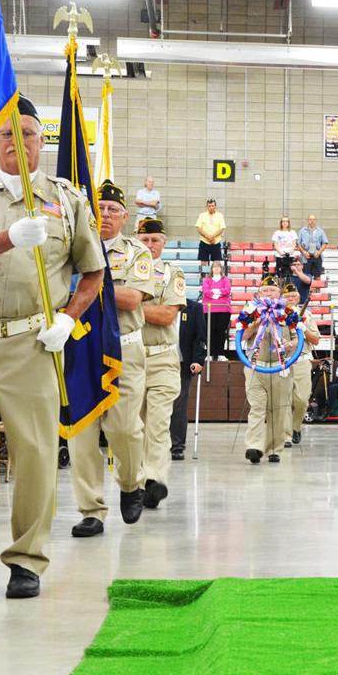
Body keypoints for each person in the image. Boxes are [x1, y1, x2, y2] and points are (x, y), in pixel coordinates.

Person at [0, 98, 105, 599]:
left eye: (27, 133)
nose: (17, 141)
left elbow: (93, 271)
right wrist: (5, 238)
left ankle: (27, 559)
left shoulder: (67, 200)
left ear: (41, 141)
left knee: (34, 455)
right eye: (6, 134)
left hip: (34, 344)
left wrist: (67, 320)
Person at [69, 181, 155, 539]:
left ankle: (131, 483)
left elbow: (133, 298)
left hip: (124, 347)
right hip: (79, 345)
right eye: (99, 208)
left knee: (123, 427)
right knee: (81, 431)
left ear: (124, 217)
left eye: (112, 210)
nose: (105, 215)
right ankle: (91, 509)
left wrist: (86, 286)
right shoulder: (71, 249)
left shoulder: (137, 252)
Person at [135, 218, 185, 510]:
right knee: (133, 426)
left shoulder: (171, 274)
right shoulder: (127, 273)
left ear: (164, 242)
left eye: (155, 240)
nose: (150, 245)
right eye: (145, 239)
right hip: (132, 356)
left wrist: (132, 305)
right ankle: (138, 481)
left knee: (157, 423)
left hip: (163, 357)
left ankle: (154, 479)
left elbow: (168, 316)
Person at [240, 275, 300, 463]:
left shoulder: (288, 312)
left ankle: (274, 449)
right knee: (256, 408)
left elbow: (299, 338)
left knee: (278, 410)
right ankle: (254, 447)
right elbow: (242, 336)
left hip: (280, 368)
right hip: (256, 368)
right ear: (259, 293)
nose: (269, 294)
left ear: (279, 293)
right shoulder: (250, 311)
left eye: (272, 291)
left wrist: (289, 346)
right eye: (265, 290)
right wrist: (258, 321)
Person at [283, 282, 320, 447]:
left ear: (298, 298)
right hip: (282, 362)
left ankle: (296, 427)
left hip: (302, 361)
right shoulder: (277, 314)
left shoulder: (307, 315)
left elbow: (316, 340)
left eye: (293, 296)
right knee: (284, 400)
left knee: (302, 399)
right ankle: (286, 435)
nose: (290, 299)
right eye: (287, 296)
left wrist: (303, 328)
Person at [169, 296, 206, 461]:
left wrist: (198, 361)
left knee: (179, 404)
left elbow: (200, 337)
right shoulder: (159, 305)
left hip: (182, 363)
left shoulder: (194, 308)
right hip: (159, 361)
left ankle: (177, 445)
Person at [201, 260, 232, 360]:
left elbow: (227, 290)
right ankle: (210, 353)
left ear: (221, 269)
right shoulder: (207, 280)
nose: (216, 268)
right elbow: (206, 292)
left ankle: (220, 354)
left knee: (221, 331)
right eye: (214, 267)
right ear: (212, 269)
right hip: (209, 309)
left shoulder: (225, 279)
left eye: (218, 267)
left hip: (224, 310)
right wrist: (219, 294)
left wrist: (214, 292)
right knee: (210, 332)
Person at [195, 198, 225, 269]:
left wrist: (213, 237)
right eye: (209, 206)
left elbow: (222, 228)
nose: (211, 207)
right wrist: (207, 236)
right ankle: (204, 279)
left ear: (215, 206)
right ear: (207, 207)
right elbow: (198, 228)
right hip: (204, 242)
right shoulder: (202, 215)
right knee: (203, 263)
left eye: (212, 206)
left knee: (216, 264)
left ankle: (214, 279)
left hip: (216, 243)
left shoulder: (220, 216)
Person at [297, 214, 328, 279]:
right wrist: (304, 252)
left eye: (313, 219)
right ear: (308, 221)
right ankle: (308, 289)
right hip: (306, 257)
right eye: (310, 219)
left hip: (317, 256)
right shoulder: (302, 231)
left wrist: (319, 252)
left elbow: (325, 243)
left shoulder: (320, 231)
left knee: (317, 277)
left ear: (315, 221)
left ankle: (316, 289)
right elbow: (298, 243)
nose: (312, 221)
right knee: (306, 277)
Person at [272, 216, 299, 283]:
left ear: (288, 223)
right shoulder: (277, 233)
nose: (285, 223)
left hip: (290, 257)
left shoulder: (293, 232)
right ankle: (281, 291)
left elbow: (294, 244)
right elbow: (275, 245)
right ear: (281, 223)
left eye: (286, 221)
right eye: (283, 221)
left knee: (290, 275)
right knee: (280, 275)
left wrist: (290, 252)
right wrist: (281, 252)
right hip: (280, 257)